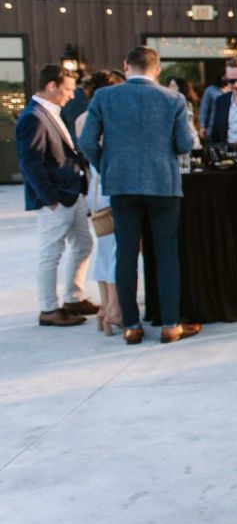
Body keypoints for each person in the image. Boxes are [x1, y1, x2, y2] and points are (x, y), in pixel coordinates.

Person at [79, 46, 200, 345]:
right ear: (156, 69)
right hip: (163, 183)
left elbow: (86, 142)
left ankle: (131, 325)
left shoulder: (105, 97)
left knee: (126, 253)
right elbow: (185, 143)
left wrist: (106, 166)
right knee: (166, 253)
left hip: (121, 183)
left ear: (126, 65)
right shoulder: (172, 98)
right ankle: (171, 324)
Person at [16, 64, 94, 327]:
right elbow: (31, 164)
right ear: (52, 86)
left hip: (74, 194)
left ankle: (73, 298)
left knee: (83, 245)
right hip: (57, 199)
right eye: (68, 89)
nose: (72, 95)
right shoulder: (33, 117)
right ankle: (49, 308)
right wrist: (50, 199)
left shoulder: (51, 112)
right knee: (51, 254)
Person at [75, 69, 125, 335]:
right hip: (113, 189)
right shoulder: (107, 117)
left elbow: (88, 150)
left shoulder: (82, 118)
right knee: (118, 252)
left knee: (104, 252)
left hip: (96, 190)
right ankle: (114, 310)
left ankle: (106, 307)